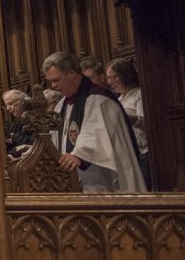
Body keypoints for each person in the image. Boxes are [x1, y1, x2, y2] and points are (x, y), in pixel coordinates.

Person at [43, 51, 145, 192]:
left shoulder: (99, 99)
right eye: (50, 81)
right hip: (73, 181)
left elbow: (96, 132)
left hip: (102, 179)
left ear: (71, 74)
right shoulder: (61, 105)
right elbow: (54, 138)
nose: (53, 85)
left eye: (56, 80)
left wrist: (78, 154)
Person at [105, 57, 148, 166]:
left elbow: (144, 121)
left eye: (114, 77)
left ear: (126, 76)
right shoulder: (120, 99)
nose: (110, 82)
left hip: (143, 152)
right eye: (108, 78)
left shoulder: (139, 94)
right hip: (127, 153)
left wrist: (123, 116)